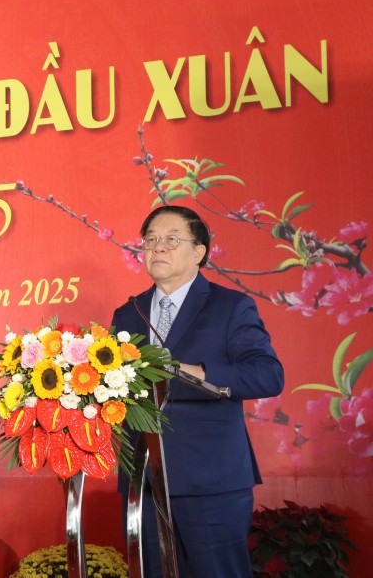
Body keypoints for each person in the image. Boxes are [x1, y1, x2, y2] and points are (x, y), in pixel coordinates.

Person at [112, 205, 284, 578]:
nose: (159, 248)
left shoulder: (230, 306)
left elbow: (268, 375)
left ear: (199, 252)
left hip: (211, 480)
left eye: (171, 239)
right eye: (151, 240)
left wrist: (200, 372)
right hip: (144, 481)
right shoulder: (127, 314)